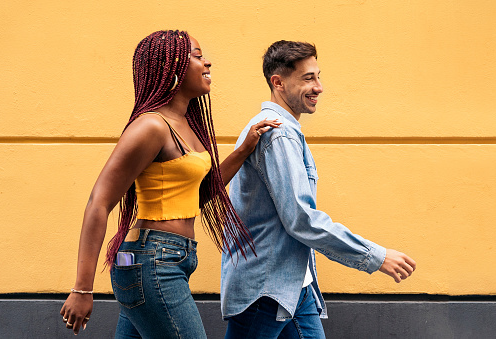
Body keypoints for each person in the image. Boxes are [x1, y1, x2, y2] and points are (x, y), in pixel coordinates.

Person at [60, 30, 280, 338]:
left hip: (159, 258)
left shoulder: (185, 125)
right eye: (198, 55)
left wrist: (244, 149)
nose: (208, 63)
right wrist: (82, 288)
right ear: (172, 65)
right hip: (150, 260)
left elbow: (199, 194)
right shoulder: (151, 126)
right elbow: (99, 201)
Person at [221, 40, 417, 338]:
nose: (319, 87)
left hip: (293, 285)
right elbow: (301, 218)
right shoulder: (278, 134)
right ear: (278, 82)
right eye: (308, 78)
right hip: (267, 290)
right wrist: (374, 256)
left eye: (318, 76)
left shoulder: (280, 129)